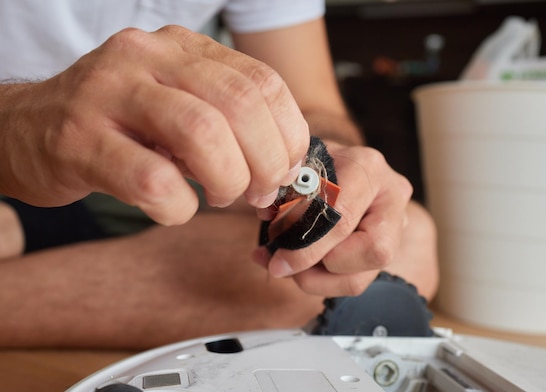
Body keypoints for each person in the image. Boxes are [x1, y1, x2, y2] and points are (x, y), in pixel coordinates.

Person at [0, 0, 438, 349]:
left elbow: (315, 106)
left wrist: (327, 156)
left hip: (159, 178)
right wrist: (18, 119)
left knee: (395, 246)